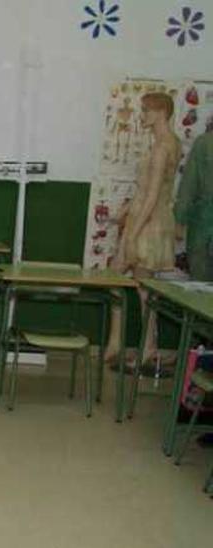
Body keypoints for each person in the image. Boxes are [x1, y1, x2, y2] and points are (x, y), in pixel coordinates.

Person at [107, 91, 181, 364]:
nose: (143, 115)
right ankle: (126, 344)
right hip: (144, 216)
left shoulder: (164, 146)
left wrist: (134, 232)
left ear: (161, 112)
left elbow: (152, 196)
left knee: (124, 280)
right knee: (139, 287)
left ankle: (141, 346)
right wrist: (124, 212)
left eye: (147, 110)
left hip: (149, 223)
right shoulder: (165, 143)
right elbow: (146, 189)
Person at [177, 129, 213, 281]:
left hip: (202, 225)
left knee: (201, 286)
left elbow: (189, 186)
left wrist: (179, 220)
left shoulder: (204, 142)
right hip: (203, 220)